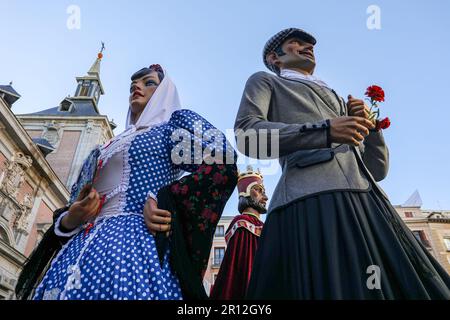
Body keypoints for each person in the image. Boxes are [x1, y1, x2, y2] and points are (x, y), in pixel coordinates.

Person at [234, 28, 450, 299]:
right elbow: (247, 136)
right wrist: (324, 130)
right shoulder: (265, 81)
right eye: (296, 43)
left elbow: (377, 170)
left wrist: (371, 129)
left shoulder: (338, 99)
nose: (308, 46)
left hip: (371, 205)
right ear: (274, 58)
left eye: (310, 44)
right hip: (312, 199)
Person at [16, 64, 237, 300]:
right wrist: (73, 217)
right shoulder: (102, 148)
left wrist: (164, 200)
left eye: (148, 82)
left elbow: (222, 161)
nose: (137, 87)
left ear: (165, 93)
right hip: (77, 251)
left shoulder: (167, 134)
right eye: (134, 84)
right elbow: (72, 202)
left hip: (133, 248)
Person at [210, 166, 267, 299]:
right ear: (245, 193)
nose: (265, 197)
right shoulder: (241, 222)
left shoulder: (266, 226)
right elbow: (243, 268)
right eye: (259, 191)